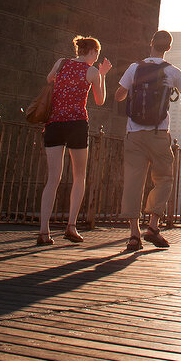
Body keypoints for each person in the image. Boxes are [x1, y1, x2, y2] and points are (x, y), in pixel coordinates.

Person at [116, 29, 181, 251]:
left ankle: (133, 236)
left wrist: (130, 91)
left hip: (134, 134)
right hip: (159, 134)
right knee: (164, 179)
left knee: (133, 182)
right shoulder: (172, 71)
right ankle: (152, 227)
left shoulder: (134, 68)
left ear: (151, 43)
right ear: (168, 48)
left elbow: (118, 95)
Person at [37, 35, 111, 245]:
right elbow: (100, 100)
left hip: (54, 123)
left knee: (53, 178)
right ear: (93, 52)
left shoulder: (61, 63)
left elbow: (49, 78)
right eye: (96, 54)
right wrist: (103, 76)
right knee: (79, 176)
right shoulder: (92, 71)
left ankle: (44, 231)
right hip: (77, 124)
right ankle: (71, 226)